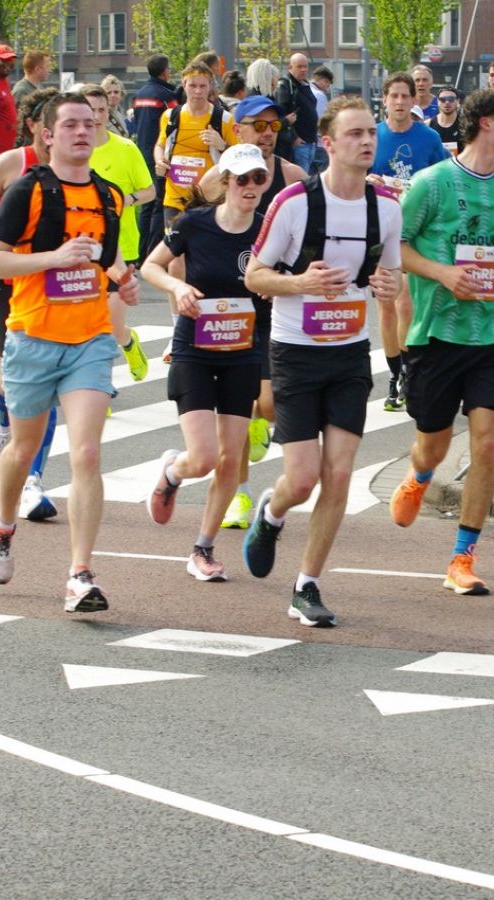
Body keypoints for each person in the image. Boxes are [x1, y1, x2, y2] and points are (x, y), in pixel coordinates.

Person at [241, 97, 403, 628]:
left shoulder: (387, 208)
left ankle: (306, 584)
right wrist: (301, 283)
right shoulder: (294, 202)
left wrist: (389, 285)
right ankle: (272, 512)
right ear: (328, 143)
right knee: (304, 478)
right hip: (295, 352)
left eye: (371, 132)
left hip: (350, 353)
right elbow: (255, 275)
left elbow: (392, 276)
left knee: (339, 474)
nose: (367, 141)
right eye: (355, 133)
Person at [0, 91, 137, 612]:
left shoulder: (110, 196)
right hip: (33, 336)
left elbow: (107, 257)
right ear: (47, 135)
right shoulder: (27, 191)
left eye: (89, 123)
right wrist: (52, 258)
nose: (82, 131)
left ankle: (80, 574)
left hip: (90, 339)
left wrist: (123, 280)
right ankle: (3, 524)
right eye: (70, 124)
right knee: (23, 450)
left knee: (86, 453)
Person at [389, 89, 494, 595]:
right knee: (431, 447)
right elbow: (396, 247)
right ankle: (419, 476)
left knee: (488, 443)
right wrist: (444, 274)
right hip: (437, 333)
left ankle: (462, 558)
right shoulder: (431, 184)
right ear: (486, 122)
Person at [141, 144, 271, 580]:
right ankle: (173, 472)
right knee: (203, 458)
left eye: (258, 178)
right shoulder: (195, 223)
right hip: (195, 348)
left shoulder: (269, 230)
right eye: (242, 179)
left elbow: (289, 276)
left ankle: (203, 548)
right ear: (226, 182)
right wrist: (177, 289)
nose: (250, 186)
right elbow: (151, 267)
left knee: (231, 460)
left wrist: (276, 286)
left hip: (243, 352)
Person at [198, 94, 307, 529]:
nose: (266, 134)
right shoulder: (216, 179)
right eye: (257, 126)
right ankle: (239, 495)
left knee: (269, 405)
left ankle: (261, 421)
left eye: (273, 126)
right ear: (237, 129)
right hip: (232, 307)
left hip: (276, 306)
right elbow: (202, 227)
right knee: (237, 408)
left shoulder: (292, 175)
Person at [0, 86, 66, 521]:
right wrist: (20, 219)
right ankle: (3, 423)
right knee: (11, 379)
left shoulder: (77, 167)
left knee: (49, 383)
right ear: (35, 126)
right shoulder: (11, 162)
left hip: (54, 285)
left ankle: (33, 481)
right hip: (7, 282)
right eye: (53, 125)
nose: (60, 134)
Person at [372, 72, 449, 412]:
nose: (400, 102)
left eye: (406, 96)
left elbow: (444, 180)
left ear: (414, 101)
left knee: (405, 303)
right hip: (379, 228)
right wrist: (367, 180)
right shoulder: (373, 135)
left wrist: (416, 189)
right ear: (385, 100)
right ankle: (394, 374)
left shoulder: (429, 138)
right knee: (386, 306)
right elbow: (352, 172)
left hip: (414, 230)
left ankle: (407, 371)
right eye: (394, 96)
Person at [80, 84, 153, 377]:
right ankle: (98, 383)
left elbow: (149, 191)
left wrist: (127, 199)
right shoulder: (72, 151)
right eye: (90, 110)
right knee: (88, 323)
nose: (96, 117)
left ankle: (128, 341)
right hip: (83, 249)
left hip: (122, 246)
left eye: (101, 110)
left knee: (111, 324)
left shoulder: (125, 148)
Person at [155, 62, 237, 235]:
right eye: (192, 85)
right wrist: (159, 161)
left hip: (208, 200)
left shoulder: (224, 119)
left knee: (203, 248)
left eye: (202, 86)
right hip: (174, 199)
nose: (198, 91)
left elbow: (239, 159)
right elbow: (160, 145)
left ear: (210, 86)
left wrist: (221, 145)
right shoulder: (170, 116)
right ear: (184, 85)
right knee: (175, 248)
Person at [132, 53, 178, 259]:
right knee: (159, 205)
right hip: (161, 155)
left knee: (146, 206)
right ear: (165, 71)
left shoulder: (139, 94)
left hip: (142, 152)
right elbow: (176, 123)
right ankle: (153, 252)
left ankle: (141, 252)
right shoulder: (167, 96)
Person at [276, 53, 318, 173]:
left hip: (310, 141)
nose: (303, 70)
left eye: (305, 66)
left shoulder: (305, 85)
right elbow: (281, 113)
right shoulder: (286, 85)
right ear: (290, 67)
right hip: (299, 143)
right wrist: (293, 137)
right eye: (299, 67)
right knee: (301, 178)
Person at [429, 87, 462, 154]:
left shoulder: (465, 124)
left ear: (458, 101)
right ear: (438, 101)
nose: (447, 102)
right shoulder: (428, 124)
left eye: (451, 99)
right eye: (443, 99)